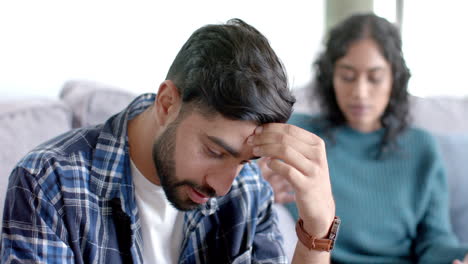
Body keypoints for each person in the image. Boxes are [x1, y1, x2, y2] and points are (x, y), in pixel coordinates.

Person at [0, 19, 337, 263]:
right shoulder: (47, 183)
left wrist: (316, 235)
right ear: (166, 104)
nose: (222, 186)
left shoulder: (248, 191)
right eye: (215, 151)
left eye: (243, 162)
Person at [261, 13, 468, 264]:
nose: (360, 92)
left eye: (375, 77)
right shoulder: (301, 136)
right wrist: (262, 190)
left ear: (394, 79)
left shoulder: (422, 148)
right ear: (331, 77)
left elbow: (435, 242)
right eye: (347, 76)